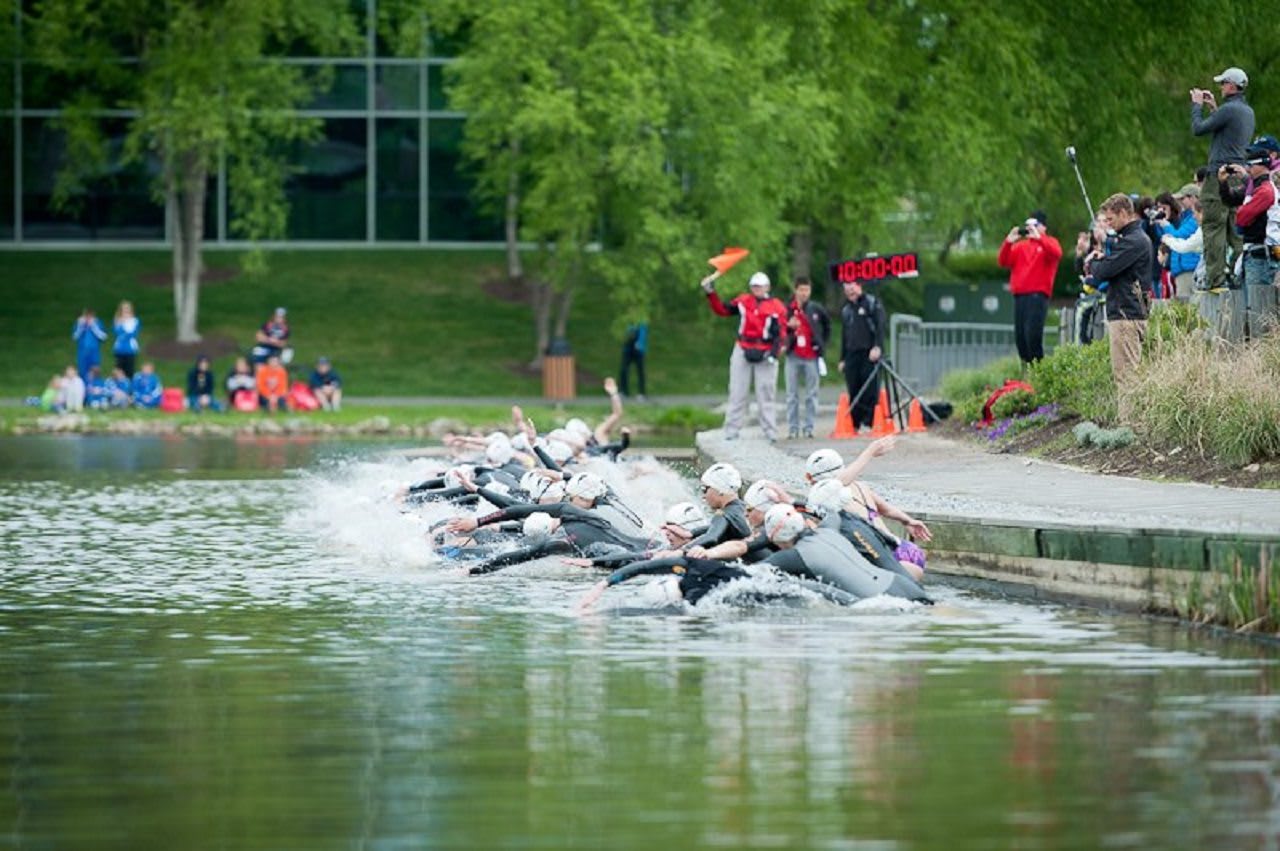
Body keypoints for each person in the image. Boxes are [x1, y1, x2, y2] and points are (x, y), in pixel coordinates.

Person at [1084, 194, 1151, 419]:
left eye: (1111, 219)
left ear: (1124, 213)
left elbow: (1104, 272)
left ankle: (1130, 426)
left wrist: (1094, 261)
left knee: (1126, 376)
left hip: (1126, 316)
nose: (1108, 224)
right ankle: (1130, 424)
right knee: (1124, 374)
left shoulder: (1134, 241)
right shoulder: (1127, 240)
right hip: (1125, 313)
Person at [700, 269, 787, 442]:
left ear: (767, 287)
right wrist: (711, 293)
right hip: (743, 347)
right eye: (754, 286)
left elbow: (781, 333)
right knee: (737, 391)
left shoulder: (776, 307)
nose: (757, 289)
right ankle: (731, 430)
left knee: (766, 393)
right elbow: (722, 310)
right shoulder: (744, 301)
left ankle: (770, 431)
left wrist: (774, 353)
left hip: (765, 350)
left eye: (760, 286)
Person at [1191, 66, 1255, 290]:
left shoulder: (1229, 110)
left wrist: (1197, 106)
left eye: (1222, 83)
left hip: (1220, 176)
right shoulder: (1246, 111)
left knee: (1213, 227)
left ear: (1231, 85)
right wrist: (1214, 108)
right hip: (1239, 176)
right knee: (1235, 229)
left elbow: (1198, 129)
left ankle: (1215, 281)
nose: (1220, 87)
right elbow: (1225, 130)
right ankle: (1242, 279)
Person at [998, 211, 1062, 364]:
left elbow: (1056, 253)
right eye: (1028, 226)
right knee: (1021, 337)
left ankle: (1038, 370)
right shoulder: (1021, 247)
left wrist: (1039, 239)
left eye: (1034, 225)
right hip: (1020, 296)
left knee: (1032, 335)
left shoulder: (1049, 242)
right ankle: (1026, 371)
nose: (1030, 229)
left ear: (1043, 227)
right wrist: (1008, 242)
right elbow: (1003, 261)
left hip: (1037, 295)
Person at [1218, 145, 1277, 289]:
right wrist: (1223, 183)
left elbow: (1241, 218)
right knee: (1249, 304)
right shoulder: (1255, 188)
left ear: (1261, 166)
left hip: (1262, 254)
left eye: (1250, 165)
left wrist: (1243, 209)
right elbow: (1230, 200)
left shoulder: (1265, 190)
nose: (1247, 168)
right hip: (1253, 253)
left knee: (1258, 306)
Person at [783, 276, 831, 439]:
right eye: (801, 290)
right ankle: (793, 427)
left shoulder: (816, 309)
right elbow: (779, 327)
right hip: (793, 354)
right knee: (792, 394)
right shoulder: (787, 309)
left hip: (811, 355)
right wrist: (788, 328)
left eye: (807, 290)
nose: (804, 293)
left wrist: (822, 343)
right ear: (796, 290)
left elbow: (827, 325)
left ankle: (809, 427)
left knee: (812, 393)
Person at [837, 277, 886, 432]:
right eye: (847, 288)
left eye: (852, 287)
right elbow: (844, 335)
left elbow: (880, 326)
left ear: (859, 286)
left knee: (870, 388)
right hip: (852, 353)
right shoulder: (846, 310)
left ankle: (870, 420)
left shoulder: (871, 303)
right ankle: (855, 422)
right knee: (853, 387)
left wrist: (877, 346)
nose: (850, 291)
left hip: (868, 352)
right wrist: (842, 358)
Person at [1161, 184, 1202, 300]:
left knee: (1186, 308)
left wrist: (1166, 226)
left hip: (1188, 269)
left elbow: (1179, 236)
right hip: (1182, 269)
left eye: (1182, 198)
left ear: (1193, 198)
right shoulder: (1186, 218)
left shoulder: (1193, 219)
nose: (1179, 202)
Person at [71, 308, 107, 379]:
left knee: (95, 370)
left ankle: (95, 386)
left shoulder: (97, 323)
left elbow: (103, 337)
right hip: (82, 352)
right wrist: (81, 327)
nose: (88, 318)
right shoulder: (79, 323)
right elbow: (74, 337)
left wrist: (94, 327)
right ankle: (83, 387)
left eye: (90, 316)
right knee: (82, 370)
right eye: (86, 316)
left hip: (94, 352)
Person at [112, 300, 142, 378]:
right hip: (119, 349)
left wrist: (124, 332)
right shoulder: (117, 320)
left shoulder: (135, 321)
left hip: (130, 349)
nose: (126, 311)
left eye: (127, 309)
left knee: (130, 371)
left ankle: (129, 389)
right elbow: (116, 332)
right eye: (124, 309)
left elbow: (134, 333)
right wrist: (121, 324)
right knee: (119, 371)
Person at [619, 322, 647, 400]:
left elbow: (643, 332)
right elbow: (624, 333)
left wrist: (640, 344)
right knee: (623, 370)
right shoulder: (626, 321)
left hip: (638, 349)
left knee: (640, 371)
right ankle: (624, 391)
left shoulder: (641, 320)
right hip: (628, 349)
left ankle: (641, 393)